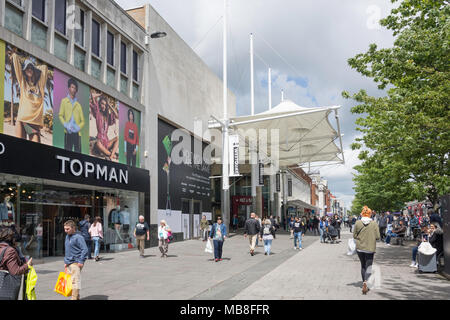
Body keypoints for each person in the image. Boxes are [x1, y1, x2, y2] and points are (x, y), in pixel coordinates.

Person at [7, 49, 50, 142]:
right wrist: (21, 57)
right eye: (27, 68)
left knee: (35, 151)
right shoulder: (23, 83)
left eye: (31, 68)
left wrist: (33, 64)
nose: (29, 69)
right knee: (20, 149)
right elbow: (15, 58)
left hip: (34, 123)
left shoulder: (40, 86)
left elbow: (44, 67)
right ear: (24, 71)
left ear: (34, 70)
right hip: (22, 119)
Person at [353, 206, 380, 295]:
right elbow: (378, 237)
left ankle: (364, 282)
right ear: (370, 214)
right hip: (370, 248)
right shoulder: (374, 223)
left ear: (362, 213)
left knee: (363, 265)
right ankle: (366, 282)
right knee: (369, 266)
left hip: (360, 248)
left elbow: (354, 236)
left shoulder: (357, 223)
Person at [0, 227, 33, 300]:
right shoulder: (10, 251)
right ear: (12, 239)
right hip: (6, 289)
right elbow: (15, 271)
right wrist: (27, 265)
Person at [90, 92, 119, 161]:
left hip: (107, 142)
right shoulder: (97, 113)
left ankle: (110, 156)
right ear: (100, 104)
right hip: (100, 141)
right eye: (102, 104)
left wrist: (109, 105)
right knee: (98, 143)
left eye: (105, 105)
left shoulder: (107, 117)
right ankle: (112, 155)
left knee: (117, 138)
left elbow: (117, 115)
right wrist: (100, 94)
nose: (104, 106)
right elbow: (92, 95)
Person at [58, 78, 85, 152]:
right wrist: (66, 125)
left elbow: (83, 121)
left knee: (78, 154)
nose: (73, 89)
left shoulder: (78, 105)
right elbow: (60, 115)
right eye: (72, 87)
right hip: (68, 131)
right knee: (67, 152)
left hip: (77, 133)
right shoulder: (64, 101)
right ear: (69, 88)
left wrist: (78, 127)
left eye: (75, 88)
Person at [63, 220, 88, 300]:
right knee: (71, 282)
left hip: (76, 262)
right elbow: (67, 250)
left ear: (73, 228)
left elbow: (85, 249)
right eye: (65, 229)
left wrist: (81, 261)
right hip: (69, 262)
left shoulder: (79, 237)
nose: (65, 231)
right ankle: (77, 298)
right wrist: (66, 262)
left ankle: (73, 298)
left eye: (67, 229)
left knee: (75, 282)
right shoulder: (67, 236)